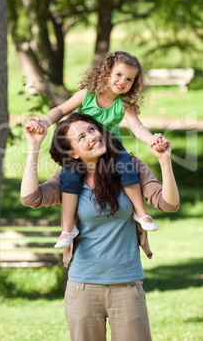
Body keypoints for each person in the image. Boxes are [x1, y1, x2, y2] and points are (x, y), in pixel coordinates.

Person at [20, 113, 179, 341]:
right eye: (81, 137)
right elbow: (30, 198)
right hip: (82, 288)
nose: (92, 137)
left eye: (92, 130)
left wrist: (165, 161)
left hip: (127, 286)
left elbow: (169, 203)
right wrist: (33, 148)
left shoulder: (130, 167)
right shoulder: (67, 180)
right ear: (73, 153)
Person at [26, 51, 167, 248]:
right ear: (106, 72)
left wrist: (152, 140)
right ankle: (67, 228)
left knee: (126, 168)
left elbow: (137, 127)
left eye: (129, 79)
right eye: (118, 75)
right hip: (84, 149)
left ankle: (141, 212)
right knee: (69, 179)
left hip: (112, 146)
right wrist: (44, 121)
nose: (122, 81)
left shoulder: (125, 103)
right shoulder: (88, 94)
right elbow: (61, 110)